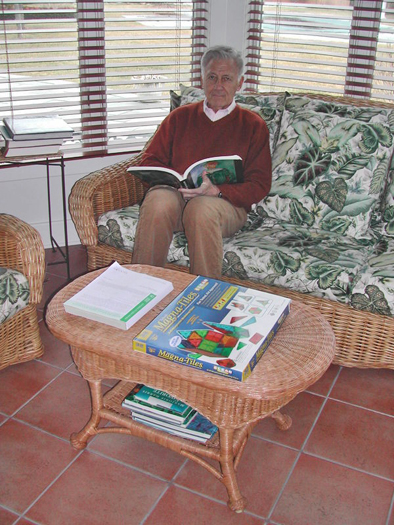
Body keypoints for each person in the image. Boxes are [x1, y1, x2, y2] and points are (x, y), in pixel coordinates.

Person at [132, 45, 272, 279]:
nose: (218, 86)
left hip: (225, 207)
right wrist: (177, 183)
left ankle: (207, 297)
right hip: (179, 199)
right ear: (202, 80)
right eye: (212, 77)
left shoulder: (253, 125)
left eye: (226, 79)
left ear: (239, 83)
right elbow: (151, 160)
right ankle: (142, 288)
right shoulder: (179, 118)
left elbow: (259, 184)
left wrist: (217, 190)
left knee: (200, 208)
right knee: (158, 200)